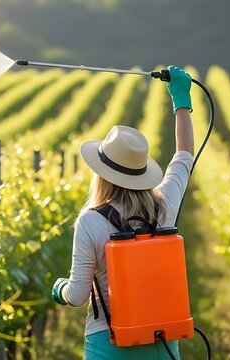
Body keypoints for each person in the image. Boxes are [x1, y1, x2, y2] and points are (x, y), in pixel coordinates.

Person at [51, 66, 194, 360]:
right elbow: (184, 156)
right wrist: (181, 99)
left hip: (108, 345)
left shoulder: (91, 221)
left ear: (101, 173)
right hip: (162, 343)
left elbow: (78, 296)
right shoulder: (164, 205)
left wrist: (60, 289)